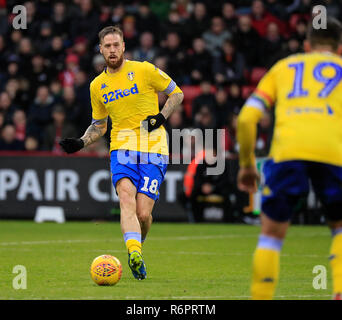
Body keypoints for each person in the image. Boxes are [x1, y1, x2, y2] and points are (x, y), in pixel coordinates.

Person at [59, 26, 184, 280]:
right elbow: (99, 126)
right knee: (126, 198)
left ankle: (138, 246)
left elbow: (177, 93)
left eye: (116, 45)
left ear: (124, 46)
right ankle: (134, 253)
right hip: (122, 148)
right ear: (101, 50)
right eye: (107, 46)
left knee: (143, 213)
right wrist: (81, 142)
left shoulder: (144, 70)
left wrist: (161, 117)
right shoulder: (97, 86)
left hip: (154, 147)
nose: (112, 50)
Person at [236, 17, 342, 300]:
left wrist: (247, 165)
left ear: (306, 45)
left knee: (271, 236)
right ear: (339, 48)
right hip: (335, 154)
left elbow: (247, 119)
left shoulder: (283, 68)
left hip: (287, 154)